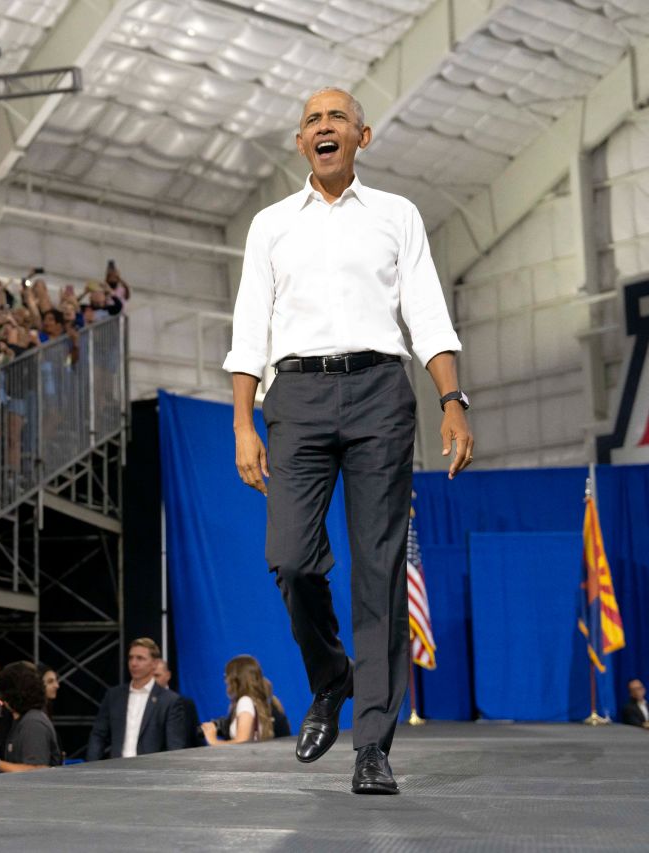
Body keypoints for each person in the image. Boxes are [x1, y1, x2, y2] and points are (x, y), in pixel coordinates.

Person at [223, 87, 473, 795]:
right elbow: (249, 329)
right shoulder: (271, 225)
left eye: (336, 118)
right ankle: (330, 674)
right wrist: (244, 421)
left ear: (362, 136)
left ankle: (373, 744)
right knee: (291, 558)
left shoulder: (398, 215)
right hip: (294, 396)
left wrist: (451, 399)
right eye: (312, 120)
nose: (323, 126)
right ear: (301, 144)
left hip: (380, 394)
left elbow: (426, 310)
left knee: (379, 568)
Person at [86, 638, 187, 761]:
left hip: (151, 774)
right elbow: (98, 735)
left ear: (154, 664)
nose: (133, 663)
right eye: (131, 657)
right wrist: (90, 769)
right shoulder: (114, 695)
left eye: (140, 658)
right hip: (116, 771)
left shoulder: (169, 701)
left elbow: (174, 746)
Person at [0, 661, 61, 772]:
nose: (1, 698)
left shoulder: (33, 723)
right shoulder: (21, 720)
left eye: (3, 691)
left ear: (12, 693)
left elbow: (37, 771)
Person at [201, 655, 275, 745]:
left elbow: (241, 742)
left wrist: (213, 739)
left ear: (234, 679)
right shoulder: (257, 701)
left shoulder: (245, 701)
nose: (225, 680)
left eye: (227, 675)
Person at [153, 658, 204, 748]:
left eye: (157, 676)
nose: (153, 681)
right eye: (149, 676)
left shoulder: (186, 704)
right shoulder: (138, 706)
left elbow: (196, 740)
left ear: (168, 675)